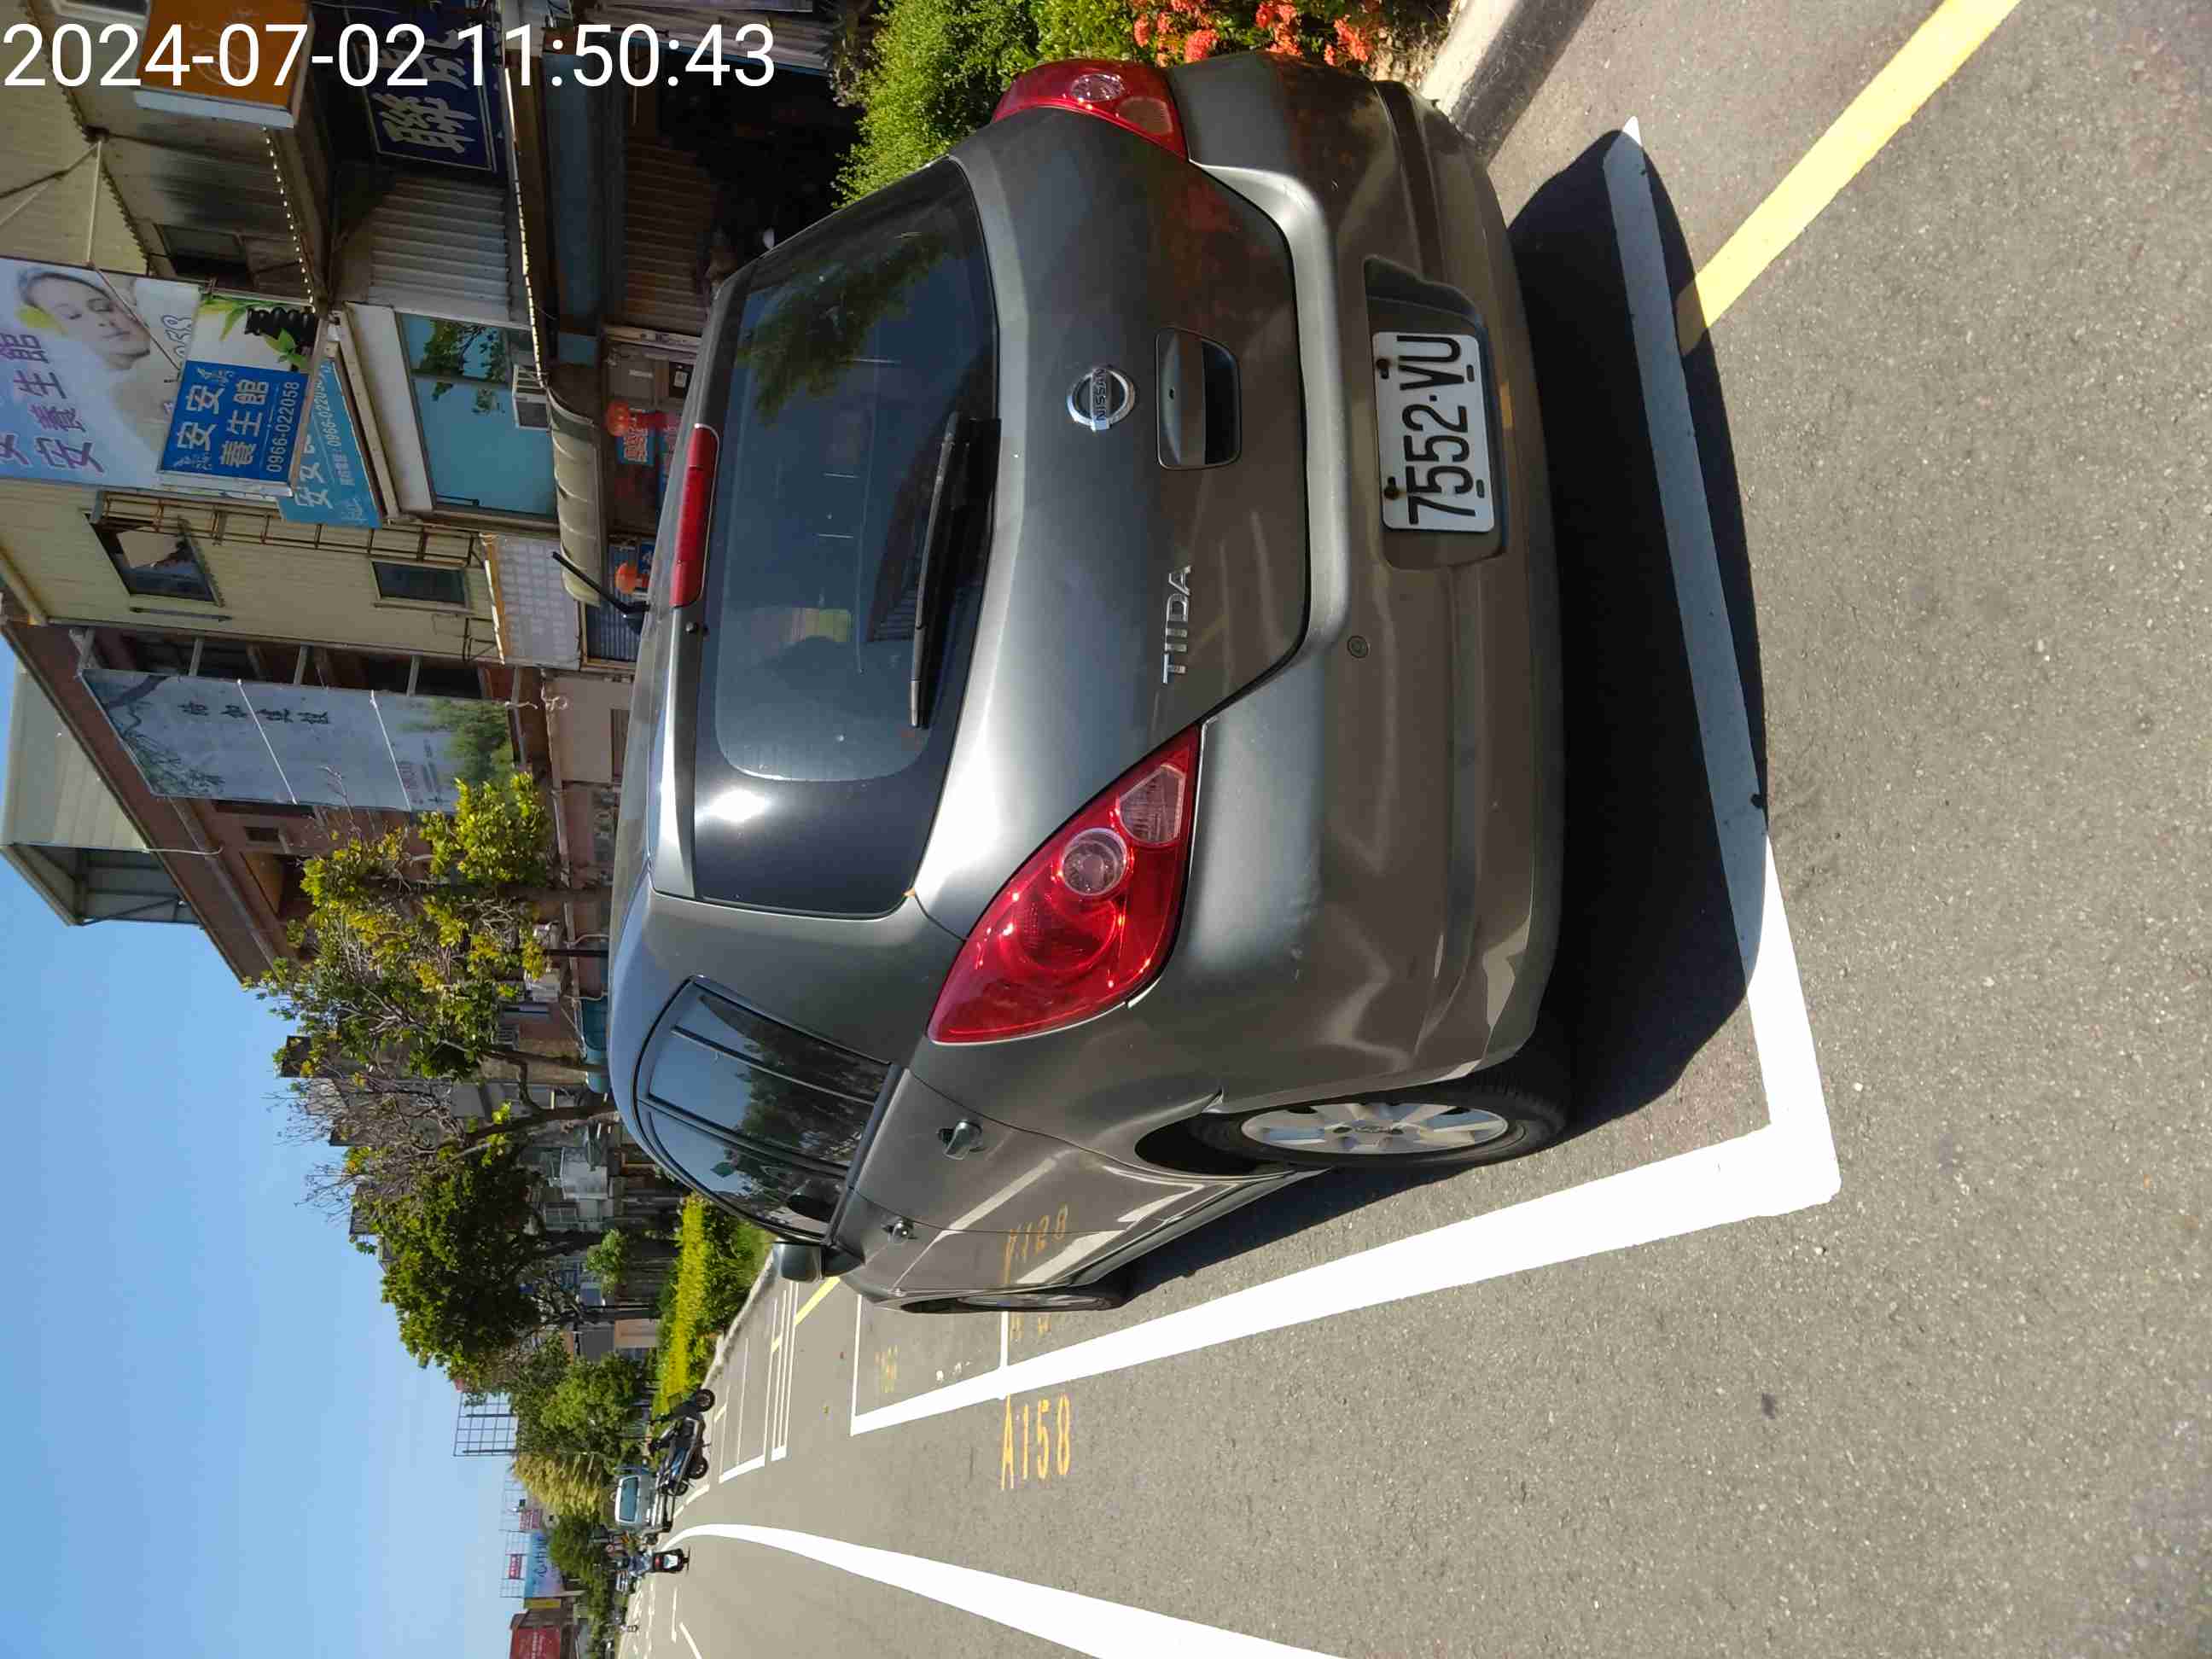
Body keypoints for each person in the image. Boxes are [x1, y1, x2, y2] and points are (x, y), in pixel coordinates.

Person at [16, 268, 179, 459]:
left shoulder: (174, 333)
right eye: (72, 316)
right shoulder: (119, 396)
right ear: (60, 331)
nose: (102, 321)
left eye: (103, 307)